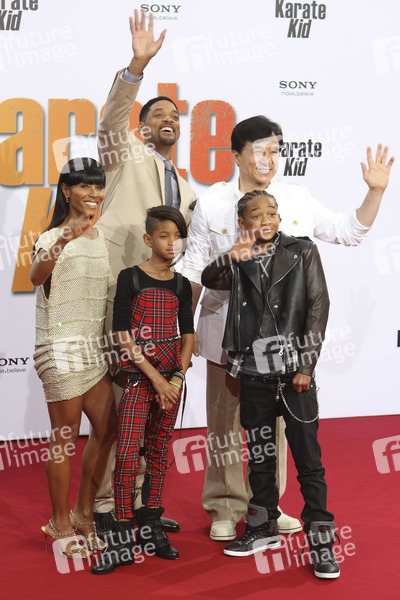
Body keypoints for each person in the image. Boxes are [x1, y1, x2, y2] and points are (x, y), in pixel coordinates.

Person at [181, 115, 394, 542]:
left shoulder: (296, 197)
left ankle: (267, 507)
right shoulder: (212, 202)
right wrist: (183, 333)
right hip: (226, 336)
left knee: (273, 430)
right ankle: (224, 505)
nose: (269, 159)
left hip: (282, 349)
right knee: (224, 427)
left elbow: (348, 232)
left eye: (275, 150)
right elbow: (193, 270)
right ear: (237, 154)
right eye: (259, 150)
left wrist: (375, 192)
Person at [94, 9, 196, 536]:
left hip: (163, 315)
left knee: (151, 414)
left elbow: (188, 253)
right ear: (142, 126)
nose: (168, 119)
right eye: (158, 114)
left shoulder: (189, 190)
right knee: (121, 409)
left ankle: (138, 506)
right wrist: (137, 67)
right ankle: (107, 506)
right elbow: (112, 118)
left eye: (175, 115)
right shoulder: (126, 153)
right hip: (120, 294)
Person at [201, 189, 339, 579]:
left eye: (272, 212)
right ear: (242, 222)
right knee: (261, 457)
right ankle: (262, 528)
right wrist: (233, 254)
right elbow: (210, 279)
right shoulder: (239, 256)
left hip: (294, 373)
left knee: (308, 461)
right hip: (252, 372)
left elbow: (318, 307)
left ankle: (322, 543)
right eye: (256, 214)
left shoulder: (302, 250)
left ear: (280, 217)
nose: (266, 219)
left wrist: (306, 366)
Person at [92, 206, 194, 575]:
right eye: (164, 236)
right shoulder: (130, 278)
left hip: (171, 383)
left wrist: (176, 378)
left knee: (158, 453)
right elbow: (122, 335)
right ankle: (121, 538)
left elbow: (188, 335)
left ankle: (151, 528)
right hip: (138, 380)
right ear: (149, 239)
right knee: (126, 455)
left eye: (177, 237)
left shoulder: (181, 285)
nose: (171, 243)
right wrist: (156, 379)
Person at [31, 157, 116, 558]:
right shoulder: (51, 237)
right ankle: (59, 523)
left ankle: (84, 513)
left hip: (93, 351)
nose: (94, 194)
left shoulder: (100, 237)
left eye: (98, 186)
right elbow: (36, 275)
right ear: (66, 190)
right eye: (85, 186)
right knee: (64, 439)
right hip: (59, 349)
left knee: (108, 429)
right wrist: (66, 236)